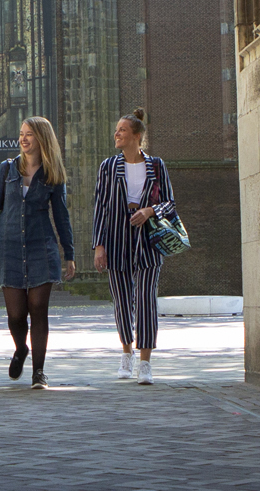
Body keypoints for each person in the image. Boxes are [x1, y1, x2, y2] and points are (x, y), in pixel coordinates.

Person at [0, 116, 76, 389]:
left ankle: (39, 371)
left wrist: (69, 254)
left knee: (38, 309)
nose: (23, 139)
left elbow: (62, 216)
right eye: (21, 134)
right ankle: (21, 349)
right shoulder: (6, 170)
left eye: (29, 134)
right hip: (9, 249)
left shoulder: (52, 174)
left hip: (41, 249)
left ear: (41, 138)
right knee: (16, 315)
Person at [92, 108, 175, 385]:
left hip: (148, 242)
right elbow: (101, 207)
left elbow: (169, 203)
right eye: (116, 130)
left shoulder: (157, 165)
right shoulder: (108, 166)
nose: (117, 134)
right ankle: (126, 351)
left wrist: (150, 210)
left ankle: (145, 362)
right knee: (122, 301)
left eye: (122, 130)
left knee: (147, 300)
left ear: (137, 136)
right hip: (116, 239)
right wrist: (99, 246)